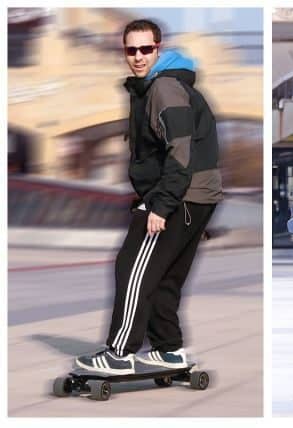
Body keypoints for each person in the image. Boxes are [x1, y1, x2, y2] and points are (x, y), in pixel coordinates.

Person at [75, 19, 223, 374]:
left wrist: (162, 205)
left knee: (133, 267)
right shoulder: (157, 87)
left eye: (146, 49)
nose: (138, 57)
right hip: (195, 196)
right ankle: (168, 349)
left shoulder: (165, 88)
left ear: (159, 48)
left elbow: (180, 150)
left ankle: (120, 352)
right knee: (164, 274)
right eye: (131, 50)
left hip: (179, 195)